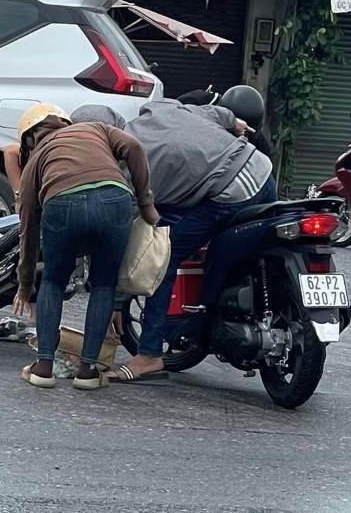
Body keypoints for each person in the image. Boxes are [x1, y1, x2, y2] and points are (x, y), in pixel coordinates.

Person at [111, 86, 277, 382]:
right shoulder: (166, 109)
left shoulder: (128, 162)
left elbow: (138, 213)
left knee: (163, 258)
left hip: (233, 193)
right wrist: (234, 123)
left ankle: (148, 355)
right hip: (262, 172)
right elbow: (220, 113)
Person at [13, 103, 158, 390]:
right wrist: (146, 205)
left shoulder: (35, 161)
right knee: (104, 283)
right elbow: (134, 148)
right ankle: (88, 371)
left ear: (30, 139)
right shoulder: (97, 129)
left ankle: (43, 367)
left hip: (62, 203)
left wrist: (26, 285)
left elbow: (28, 229)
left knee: (53, 281)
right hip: (114, 201)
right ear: (64, 122)